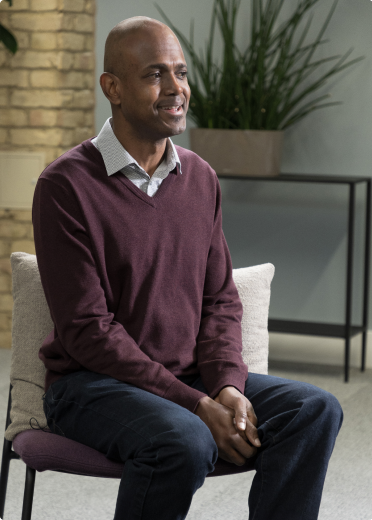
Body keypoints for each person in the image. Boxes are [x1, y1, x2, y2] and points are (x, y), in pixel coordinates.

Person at [32, 16, 343, 520]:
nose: (176, 88)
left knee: (314, 409)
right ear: (111, 87)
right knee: (184, 439)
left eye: (180, 72)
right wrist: (196, 405)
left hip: (191, 376)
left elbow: (220, 300)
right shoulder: (65, 186)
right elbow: (88, 331)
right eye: (155, 74)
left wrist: (226, 387)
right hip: (91, 385)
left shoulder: (200, 177)